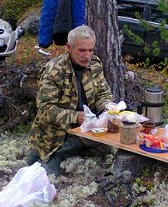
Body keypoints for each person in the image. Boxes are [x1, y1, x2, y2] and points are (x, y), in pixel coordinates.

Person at [28, 25, 113, 176]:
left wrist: (107, 108)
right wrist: (77, 117)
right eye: (82, 50)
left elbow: (103, 94)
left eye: (90, 50)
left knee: (107, 145)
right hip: (56, 131)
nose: (87, 55)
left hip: (86, 126)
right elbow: (44, 111)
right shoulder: (54, 71)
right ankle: (55, 156)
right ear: (69, 47)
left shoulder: (94, 65)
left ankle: (70, 151)